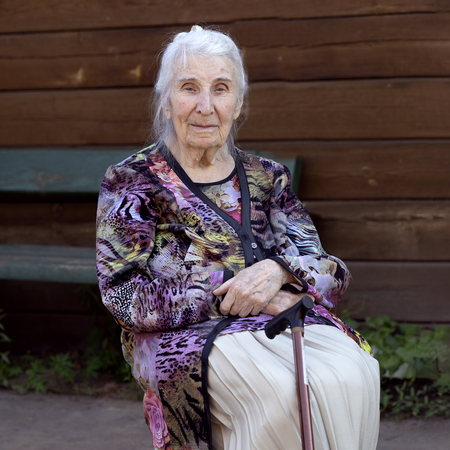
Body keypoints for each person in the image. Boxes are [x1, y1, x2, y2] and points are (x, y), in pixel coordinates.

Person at [96, 25, 380, 450]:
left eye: (220, 88)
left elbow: (329, 272)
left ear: (238, 102)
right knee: (280, 392)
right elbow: (122, 297)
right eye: (189, 88)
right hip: (184, 338)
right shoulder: (132, 180)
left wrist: (279, 271)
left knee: (354, 373)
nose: (205, 106)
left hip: (281, 322)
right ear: (167, 102)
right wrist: (237, 291)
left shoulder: (269, 177)